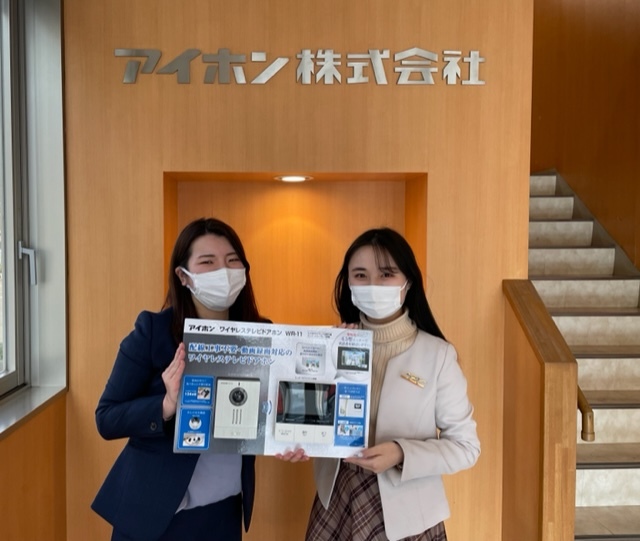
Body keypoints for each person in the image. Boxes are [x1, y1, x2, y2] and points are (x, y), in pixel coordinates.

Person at [279, 227, 480, 541]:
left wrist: (401, 453)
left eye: (386, 274)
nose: (373, 284)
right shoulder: (327, 346)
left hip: (410, 515)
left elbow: (466, 447)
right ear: (348, 283)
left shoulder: (438, 355)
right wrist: (292, 440)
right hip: (338, 500)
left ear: (407, 282)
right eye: (360, 275)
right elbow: (307, 419)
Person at [92, 217, 269, 541]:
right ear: (183, 276)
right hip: (155, 517)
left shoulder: (261, 334)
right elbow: (106, 418)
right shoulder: (153, 331)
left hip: (223, 513)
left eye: (232, 261)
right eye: (208, 262)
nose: (224, 271)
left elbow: (269, 411)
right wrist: (166, 404)